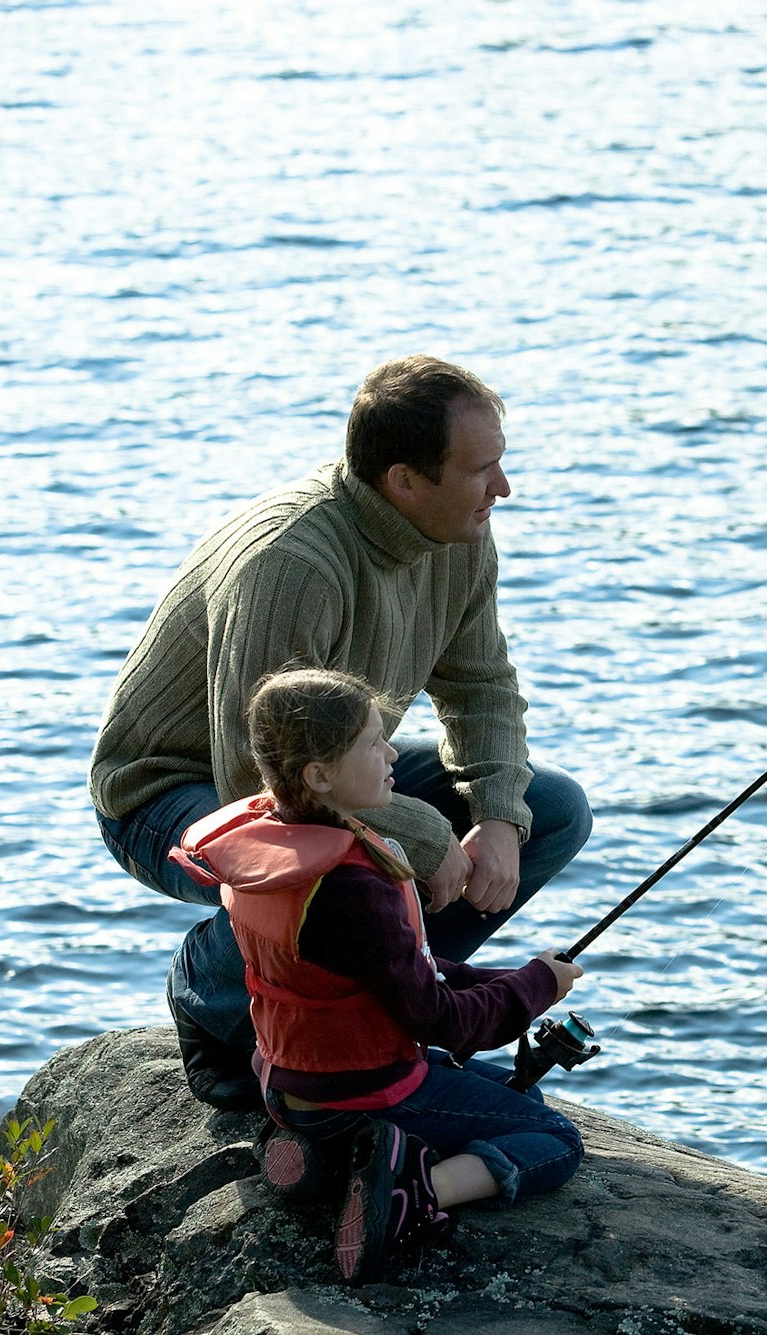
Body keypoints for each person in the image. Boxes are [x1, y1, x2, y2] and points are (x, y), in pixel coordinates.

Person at [89, 356, 591, 1108]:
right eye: (482, 469)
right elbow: (261, 790)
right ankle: (213, 988)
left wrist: (496, 817)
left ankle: (392, 1015)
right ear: (404, 480)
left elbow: (481, 684)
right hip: (173, 791)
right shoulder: (291, 564)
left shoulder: (457, 534)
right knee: (341, 864)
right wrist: (417, 837)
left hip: (326, 775)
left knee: (549, 808)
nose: (503, 489)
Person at [169, 667, 585, 1283]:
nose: (392, 751)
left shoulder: (271, 848)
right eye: (372, 742)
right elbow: (439, 1020)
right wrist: (535, 988)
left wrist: (501, 978)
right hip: (365, 1087)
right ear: (320, 775)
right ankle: (413, 1192)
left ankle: (323, 1163)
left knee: (506, 1088)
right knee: (551, 1136)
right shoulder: (353, 887)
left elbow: (388, 969)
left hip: (289, 1088)